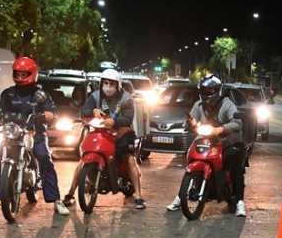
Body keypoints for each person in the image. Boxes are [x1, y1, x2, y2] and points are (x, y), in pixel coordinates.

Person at [0, 57, 69, 215]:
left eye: (24, 74)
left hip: (34, 132)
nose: (21, 77)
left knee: (44, 157)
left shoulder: (40, 95)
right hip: (13, 133)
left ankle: (57, 200)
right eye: (18, 74)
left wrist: (45, 116)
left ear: (32, 74)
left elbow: (51, 113)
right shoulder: (8, 94)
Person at [61, 69, 146, 209]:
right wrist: (92, 111)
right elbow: (85, 112)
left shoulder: (126, 98)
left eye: (111, 83)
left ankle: (138, 196)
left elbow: (128, 118)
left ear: (117, 85)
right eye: (105, 83)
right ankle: (70, 193)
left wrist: (115, 122)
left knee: (129, 158)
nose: (108, 86)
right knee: (83, 160)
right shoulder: (95, 96)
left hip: (122, 132)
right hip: (101, 132)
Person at [166, 74, 247, 217]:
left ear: (217, 90)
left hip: (226, 141)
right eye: (203, 91)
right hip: (204, 139)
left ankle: (240, 201)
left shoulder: (227, 104)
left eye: (209, 91)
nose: (206, 94)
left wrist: (220, 129)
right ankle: (180, 197)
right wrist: (190, 124)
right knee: (190, 158)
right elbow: (191, 120)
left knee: (235, 166)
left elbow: (237, 123)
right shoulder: (198, 105)